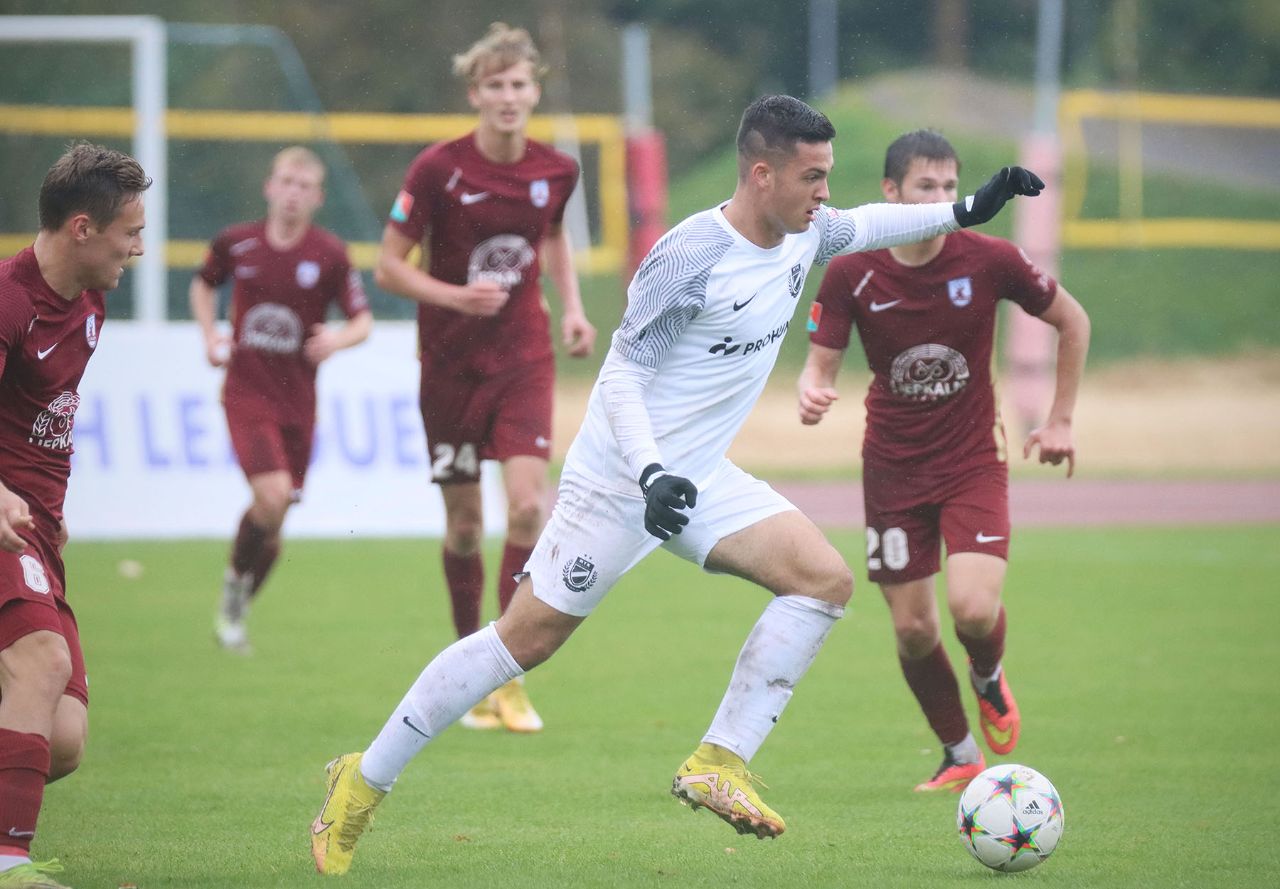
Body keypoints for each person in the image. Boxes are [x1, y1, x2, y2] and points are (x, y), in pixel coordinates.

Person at [310, 95, 1043, 876]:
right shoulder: (691, 255)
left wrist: (968, 210)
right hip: (621, 479)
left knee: (823, 581)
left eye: (827, 176)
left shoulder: (809, 231)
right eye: (812, 177)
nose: (825, 192)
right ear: (762, 176)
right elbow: (622, 377)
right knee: (523, 641)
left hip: (696, 478)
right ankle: (362, 778)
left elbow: (869, 222)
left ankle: (718, 760)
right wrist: (650, 472)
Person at [797, 129, 1090, 792]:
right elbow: (819, 364)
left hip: (971, 460)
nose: (941, 198)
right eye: (925, 186)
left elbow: (1073, 321)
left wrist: (1061, 419)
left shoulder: (989, 258)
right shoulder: (851, 270)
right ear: (891, 192)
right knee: (912, 629)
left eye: (950, 186)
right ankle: (960, 754)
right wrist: (812, 390)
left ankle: (987, 675)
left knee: (973, 611)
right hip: (892, 469)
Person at [373, 23, 596, 733]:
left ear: (533, 92)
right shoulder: (438, 169)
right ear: (475, 93)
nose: (507, 96)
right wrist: (452, 297)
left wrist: (572, 308)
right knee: (466, 527)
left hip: (523, 357)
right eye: (494, 85)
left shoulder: (556, 169)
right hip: (449, 369)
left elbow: (552, 235)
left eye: (518, 84)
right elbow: (388, 266)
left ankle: (508, 674)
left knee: (528, 507)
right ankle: (466, 671)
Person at [0, 143, 150, 889]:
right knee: (42, 660)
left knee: (62, 740)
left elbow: (40, 420)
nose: (140, 247)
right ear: (83, 228)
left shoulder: (90, 302)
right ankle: (9, 862)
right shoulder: (8, 302)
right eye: (131, 231)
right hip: (2, 523)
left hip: (39, 531)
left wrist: (50, 510)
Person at [191, 146, 373, 654]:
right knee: (271, 498)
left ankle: (236, 609)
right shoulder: (237, 243)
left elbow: (362, 320)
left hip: (298, 403)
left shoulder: (330, 254)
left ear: (318, 198)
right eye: (286, 182)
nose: (293, 193)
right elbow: (203, 286)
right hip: (246, 393)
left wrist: (338, 339)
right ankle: (234, 588)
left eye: (304, 186)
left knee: (274, 521)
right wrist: (209, 335)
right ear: (269, 187)